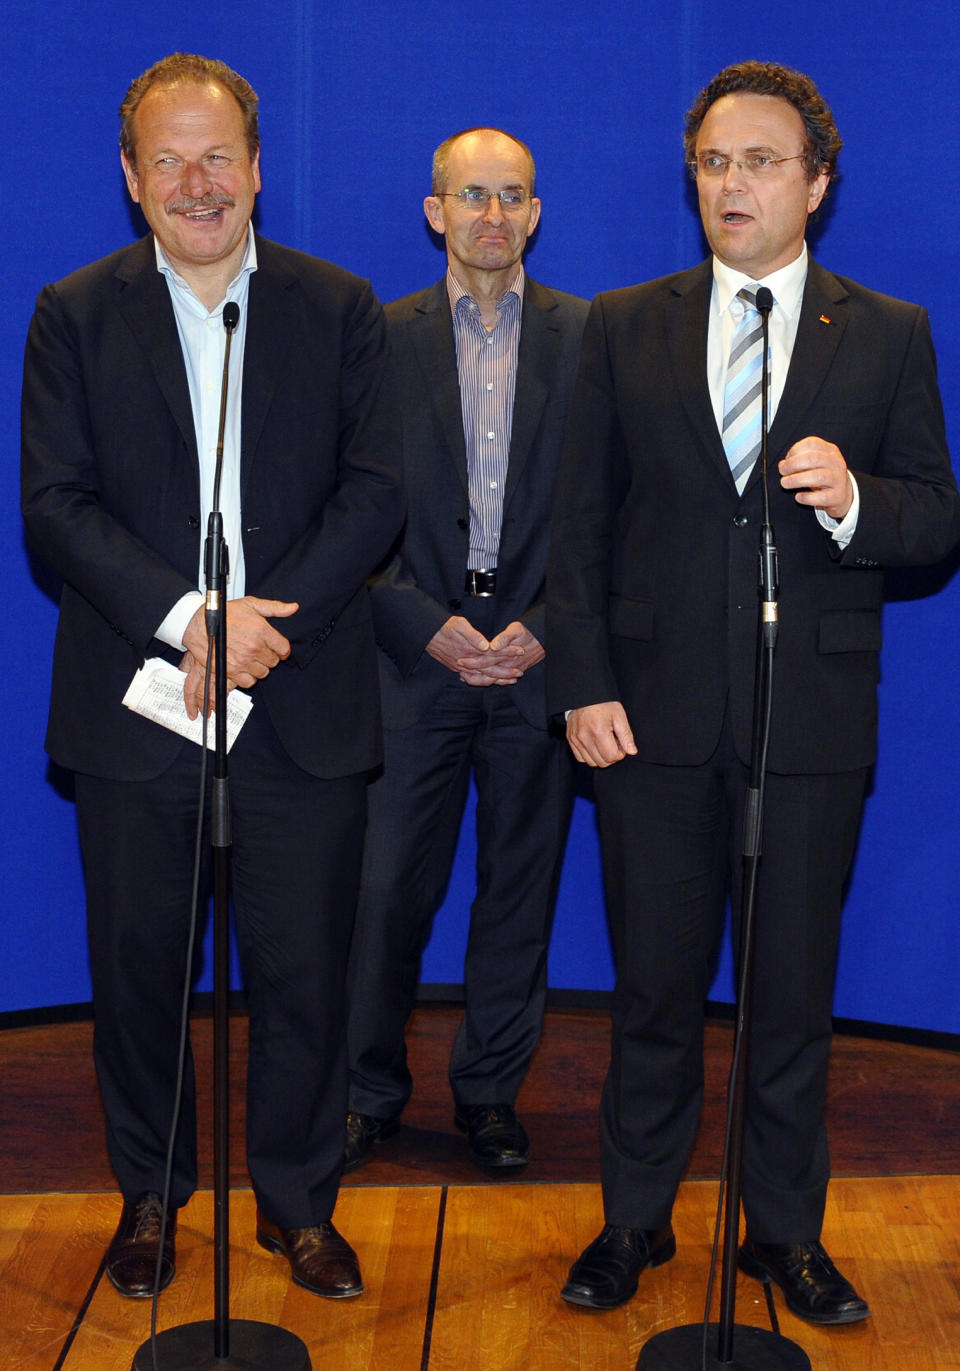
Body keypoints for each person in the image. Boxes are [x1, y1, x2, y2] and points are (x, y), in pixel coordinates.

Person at [547, 60, 960, 1323]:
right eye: (715, 162)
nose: (733, 184)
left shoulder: (885, 331)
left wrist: (857, 503)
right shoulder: (624, 322)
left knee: (790, 1002)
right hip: (649, 722)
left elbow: (936, 518)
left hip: (812, 730)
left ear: (817, 184)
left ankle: (784, 1234)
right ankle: (633, 1223)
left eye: (761, 162)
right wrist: (582, 685)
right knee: (653, 995)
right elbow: (577, 526)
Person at [20, 54, 402, 1301]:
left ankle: (296, 1205)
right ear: (132, 180)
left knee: (305, 977)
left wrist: (260, 627)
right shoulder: (73, 313)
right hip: (142, 704)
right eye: (168, 159)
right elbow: (55, 508)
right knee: (140, 978)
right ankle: (149, 1199)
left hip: (300, 696)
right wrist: (194, 619)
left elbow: (376, 490)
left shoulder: (337, 306)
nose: (197, 183)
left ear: (256, 168)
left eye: (218, 156)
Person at [344, 128, 587, 1174]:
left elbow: (616, 509)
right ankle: (366, 1093)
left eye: (513, 196)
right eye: (471, 195)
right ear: (434, 209)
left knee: (519, 893)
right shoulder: (374, 339)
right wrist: (416, 618)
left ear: (536, 213)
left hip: (539, 660)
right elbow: (333, 505)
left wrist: (550, 623)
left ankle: (490, 1095)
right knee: (384, 890)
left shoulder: (595, 339)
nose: (493, 214)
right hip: (411, 655)